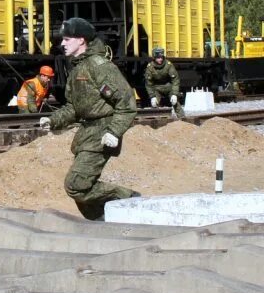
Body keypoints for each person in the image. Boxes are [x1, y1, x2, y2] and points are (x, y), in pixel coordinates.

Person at [39, 17, 140, 220]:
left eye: (67, 39)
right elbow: (73, 107)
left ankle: (130, 198)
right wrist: (54, 120)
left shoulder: (99, 66)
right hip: (86, 133)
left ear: (81, 40)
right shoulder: (77, 67)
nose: (62, 44)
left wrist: (114, 131)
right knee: (83, 194)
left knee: (76, 185)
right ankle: (102, 222)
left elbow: (127, 104)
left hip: (102, 132)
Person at [144, 47, 185, 119]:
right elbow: (149, 83)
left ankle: (182, 119)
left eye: (161, 57)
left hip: (168, 86)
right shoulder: (150, 67)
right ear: (154, 58)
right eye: (158, 57)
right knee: (155, 104)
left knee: (175, 103)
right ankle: (156, 121)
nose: (160, 59)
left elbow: (175, 80)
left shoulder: (168, 65)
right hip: (157, 88)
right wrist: (152, 96)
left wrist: (174, 94)